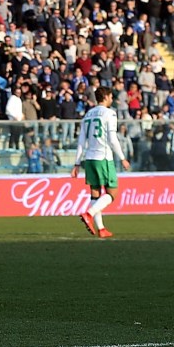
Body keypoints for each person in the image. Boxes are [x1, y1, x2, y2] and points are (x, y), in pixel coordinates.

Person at [72, 86, 131, 238]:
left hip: (89, 158)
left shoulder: (88, 114)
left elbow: (81, 141)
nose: (112, 99)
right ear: (105, 97)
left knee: (95, 194)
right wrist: (122, 157)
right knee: (112, 193)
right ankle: (89, 214)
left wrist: (77, 163)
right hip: (103, 157)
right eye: (111, 97)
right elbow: (112, 139)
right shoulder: (109, 113)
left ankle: (101, 228)